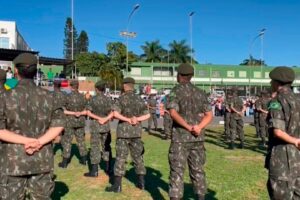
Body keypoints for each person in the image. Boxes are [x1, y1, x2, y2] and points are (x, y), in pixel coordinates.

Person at [0, 53, 65, 199]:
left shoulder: (4, 97)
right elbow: (59, 124)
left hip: (13, 161)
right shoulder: (50, 96)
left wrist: (26, 141)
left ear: (16, 71)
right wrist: (38, 142)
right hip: (41, 158)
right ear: (36, 71)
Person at [167, 63, 213, 200]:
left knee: (177, 172)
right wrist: (198, 127)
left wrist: (187, 127)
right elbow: (209, 115)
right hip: (197, 138)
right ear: (191, 76)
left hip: (180, 138)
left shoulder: (175, 91)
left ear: (179, 75)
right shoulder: (200, 92)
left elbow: (173, 112)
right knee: (198, 171)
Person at [106, 77, 150, 193]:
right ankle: (142, 184)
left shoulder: (121, 98)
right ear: (133, 86)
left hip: (123, 133)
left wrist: (127, 119)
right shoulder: (139, 99)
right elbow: (147, 115)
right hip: (136, 133)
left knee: (120, 158)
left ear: (125, 86)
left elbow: (115, 113)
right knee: (138, 158)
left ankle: (117, 186)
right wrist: (136, 119)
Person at [265, 66, 300, 199]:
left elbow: (278, 131)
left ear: (277, 83)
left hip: (282, 160)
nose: (270, 84)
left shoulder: (277, 101)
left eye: (271, 81)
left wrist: (295, 140)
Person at [84, 80, 114, 177]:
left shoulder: (92, 99)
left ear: (96, 89)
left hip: (95, 126)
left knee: (94, 147)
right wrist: (104, 118)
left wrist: (98, 118)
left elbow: (88, 112)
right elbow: (112, 113)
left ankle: (94, 170)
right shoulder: (109, 100)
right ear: (104, 89)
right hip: (105, 126)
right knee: (106, 146)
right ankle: (108, 168)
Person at [58, 80, 88, 168]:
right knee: (81, 141)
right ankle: (83, 160)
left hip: (70, 122)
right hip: (80, 122)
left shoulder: (67, 97)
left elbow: (63, 110)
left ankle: (64, 162)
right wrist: (79, 113)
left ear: (71, 87)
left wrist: (73, 113)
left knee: (67, 141)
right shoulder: (83, 97)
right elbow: (87, 110)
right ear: (78, 86)